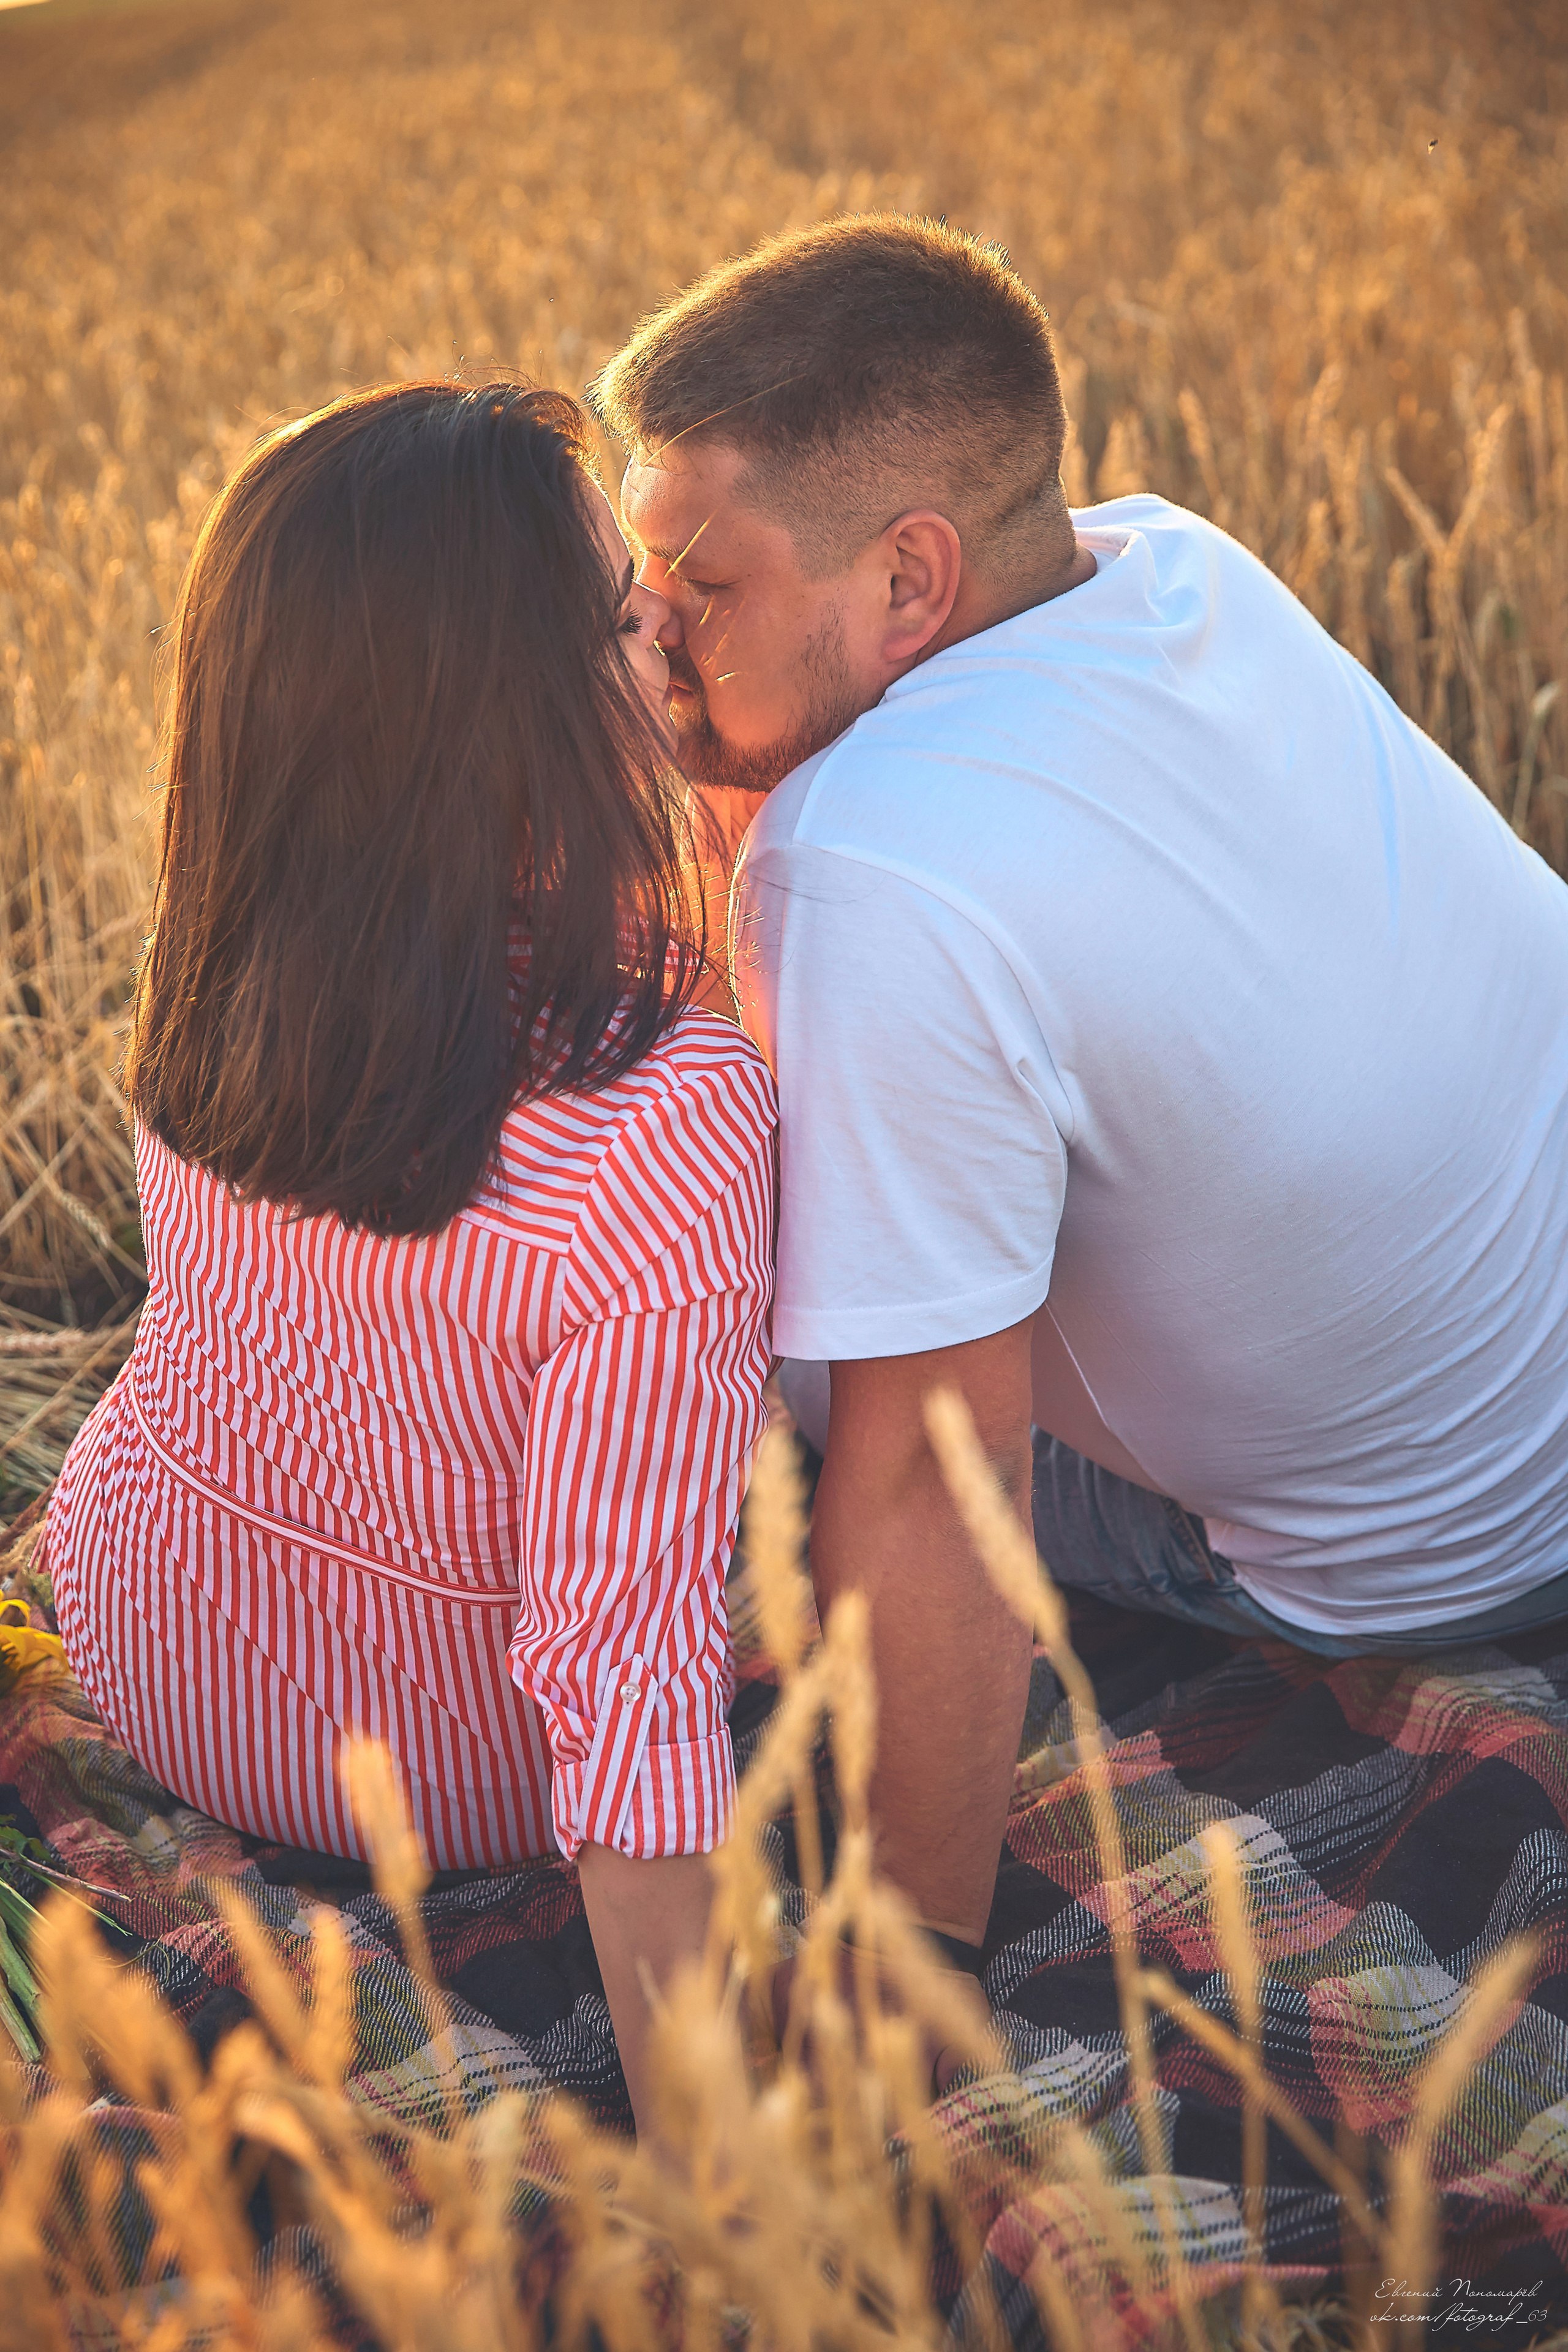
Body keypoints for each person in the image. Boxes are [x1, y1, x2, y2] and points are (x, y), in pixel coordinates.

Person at [594, 215, 1568, 1972]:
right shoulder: (1165, 560)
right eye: (641, 580)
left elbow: (931, 1486)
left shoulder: (871, 869)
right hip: (1526, 1379)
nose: (650, 637)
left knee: (757, 1308)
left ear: (909, 582)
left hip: (1436, 1552)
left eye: (705, 589)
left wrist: (913, 1977)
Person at [43, 380, 777, 2134]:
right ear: (506, 715)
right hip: (435, 1779)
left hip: (146, 1626)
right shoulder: (670, 1121)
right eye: (620, 614)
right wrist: (715, 2146)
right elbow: (624, 1653)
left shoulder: (231, 946)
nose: (666, 629)